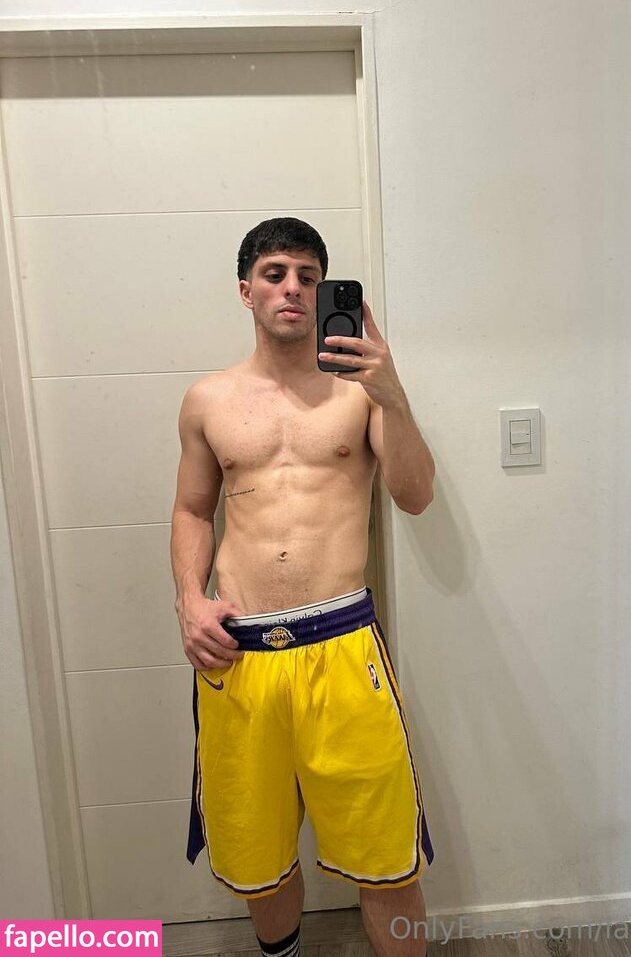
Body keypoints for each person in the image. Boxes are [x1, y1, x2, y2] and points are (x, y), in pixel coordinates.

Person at [170, 217, 436, 957]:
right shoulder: (207, 400)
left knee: (387, 857)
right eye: (276, 273)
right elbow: (192, 510)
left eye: (308, 277)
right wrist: (190, 599)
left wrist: (394, 395)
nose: (293, 288)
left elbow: (415, 497)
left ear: (325, 291)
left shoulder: (360, 393)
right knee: (260, 859)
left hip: (344, 648)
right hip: (240, 655)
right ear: (246, 290)